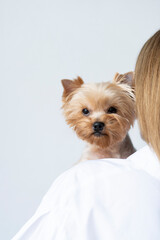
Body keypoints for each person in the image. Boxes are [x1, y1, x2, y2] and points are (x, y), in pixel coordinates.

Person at [12, 30, 160, 240]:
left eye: (111, 111)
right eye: (86, 112)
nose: (97, 122)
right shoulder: (81, 183)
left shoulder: (82, 185)